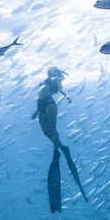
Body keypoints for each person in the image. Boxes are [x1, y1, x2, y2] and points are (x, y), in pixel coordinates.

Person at [32, 68, 86, 212]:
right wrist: (35, 112)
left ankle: (57, 150)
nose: (49, 71)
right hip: (41, 105)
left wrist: (67, 95)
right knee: (46, 132)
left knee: (52, 128)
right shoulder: (44, 83)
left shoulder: (55, 79)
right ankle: (62, 147)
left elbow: (61, 89)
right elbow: (40, 95)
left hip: (49, 104)